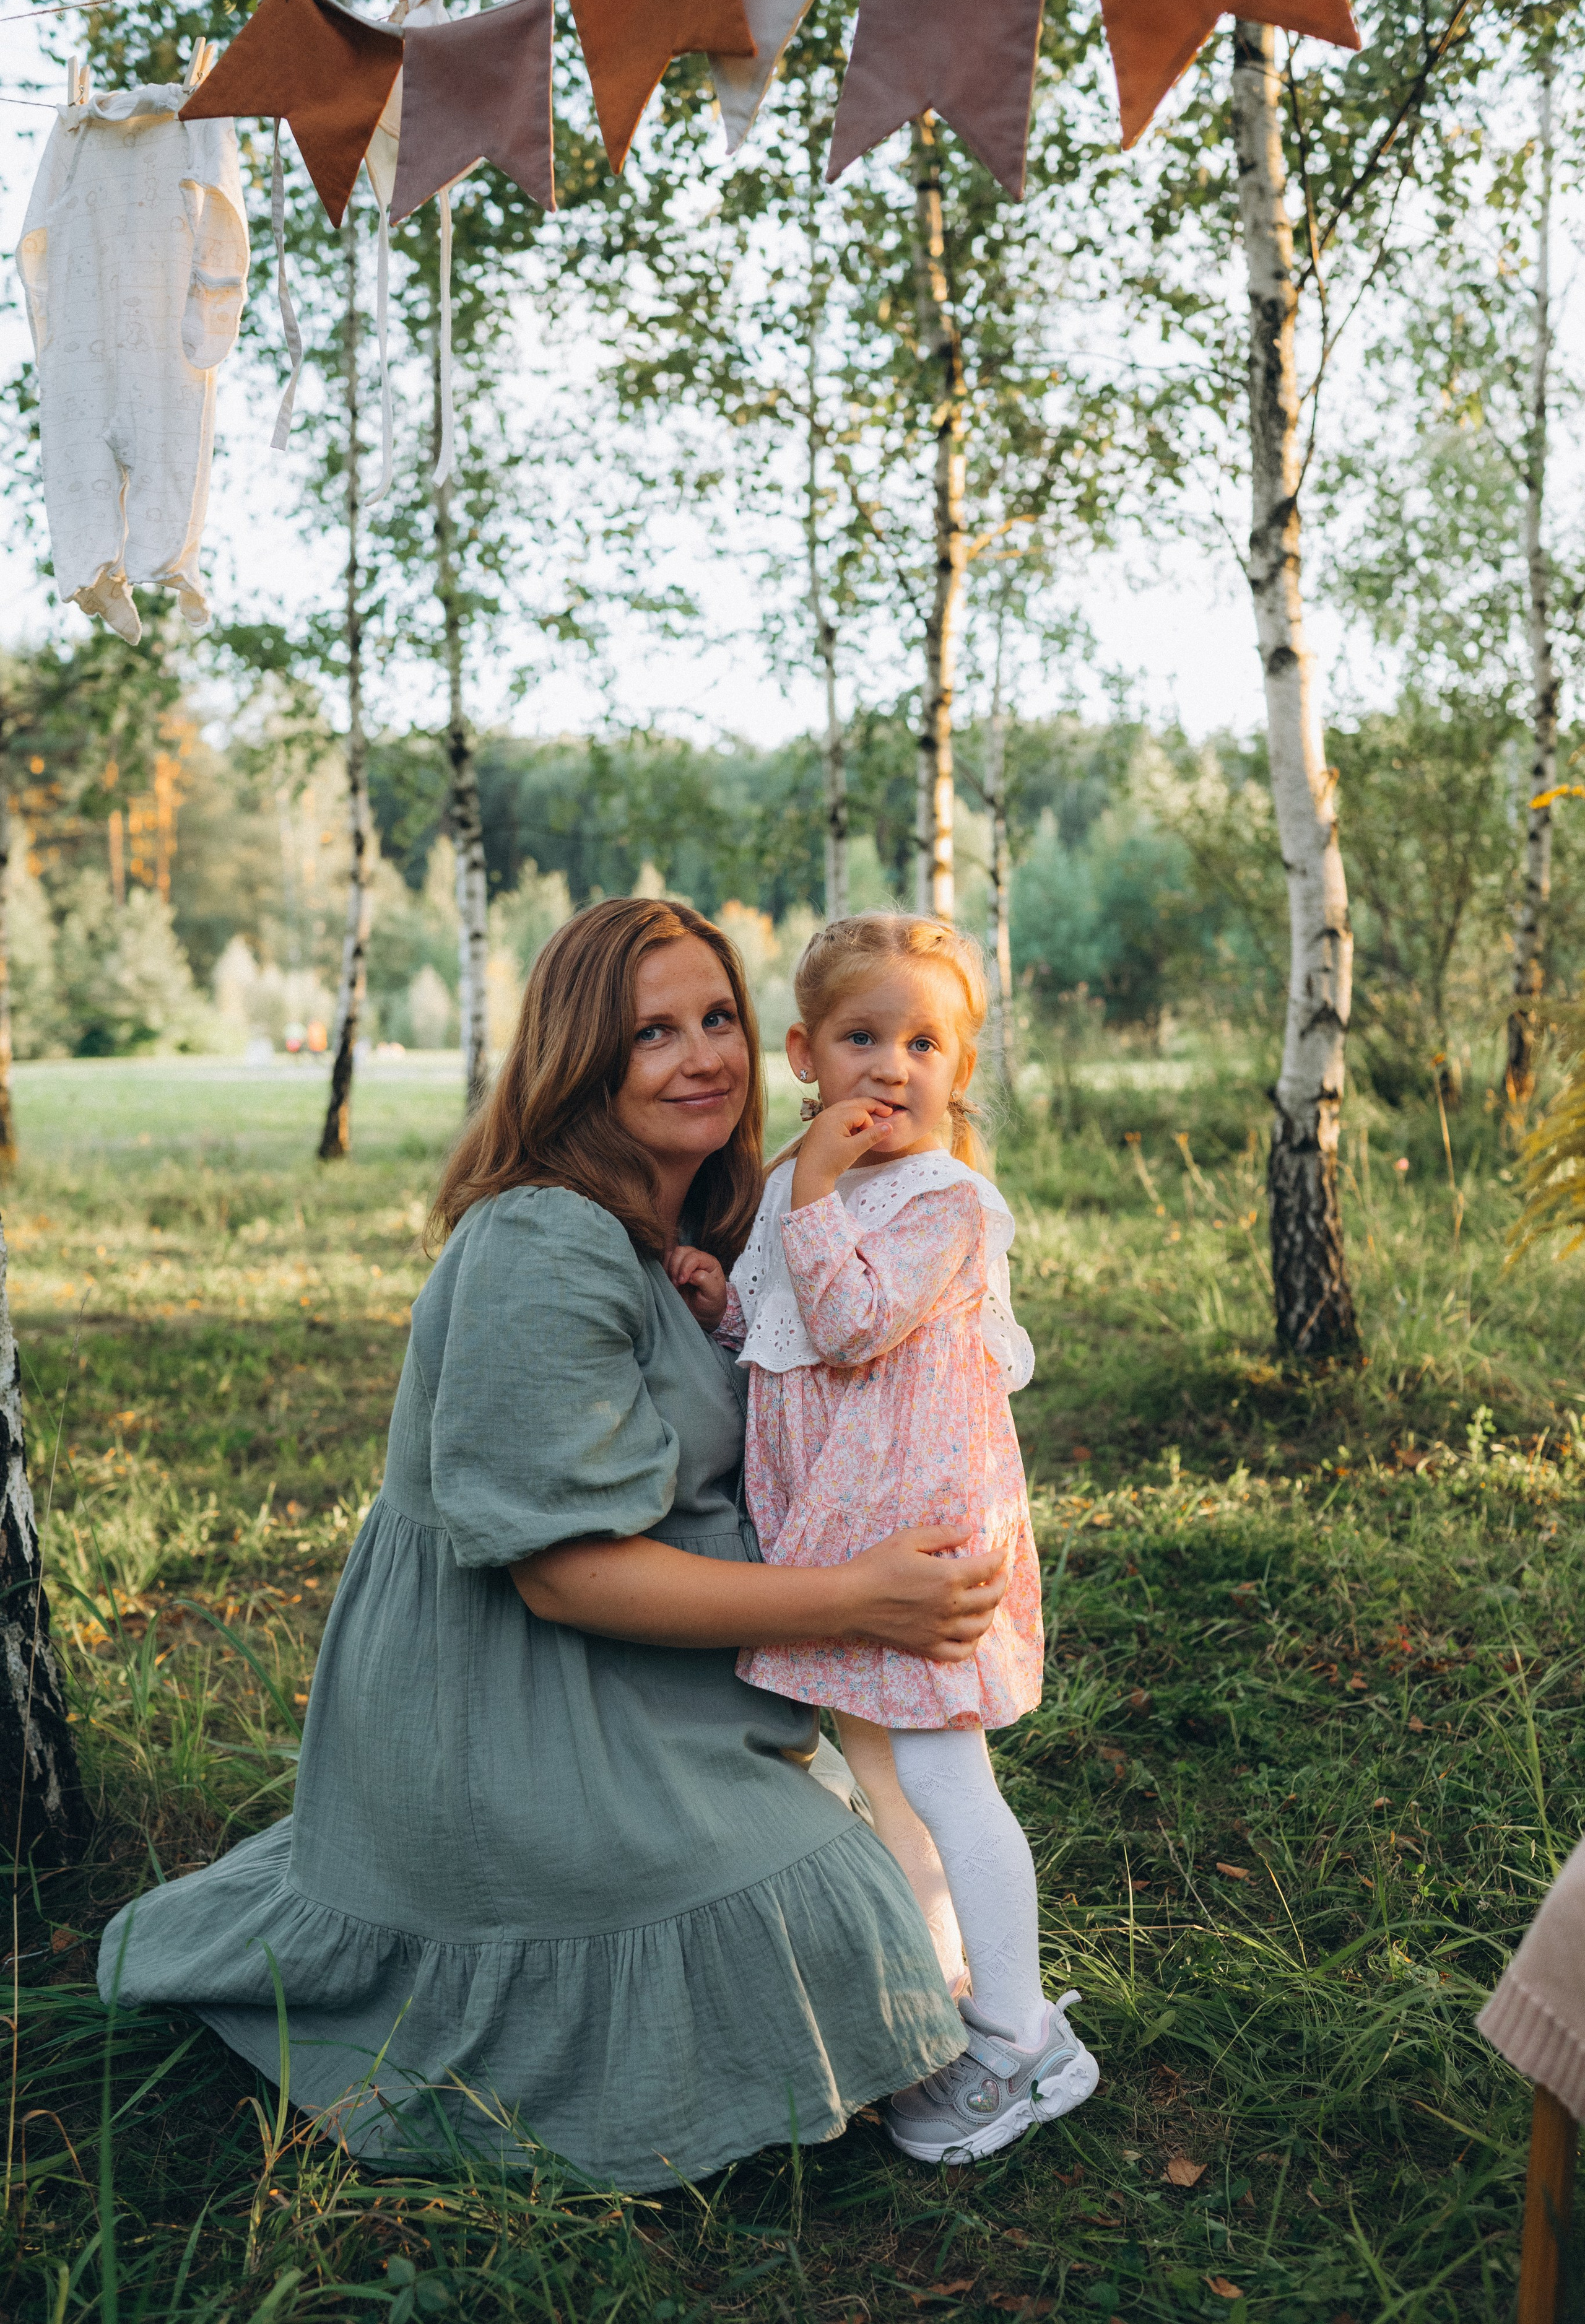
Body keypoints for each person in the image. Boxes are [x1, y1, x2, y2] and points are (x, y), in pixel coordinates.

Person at [97, 898, 1011, 2192]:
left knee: (876, 1911)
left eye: (715, 1021)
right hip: (504, 1701)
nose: (699, 1056)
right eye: (650, 1032)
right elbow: (565, 1574)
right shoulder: (544, 1236)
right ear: (580, 1054)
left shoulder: (696, 1222)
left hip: (641, 1682)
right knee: (831, 1925)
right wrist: (857, 1598)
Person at [667, 912, 1098, 2164]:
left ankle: (1020, 2035)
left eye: (924, 1041)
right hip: (830, 1546)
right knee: (878, 1777)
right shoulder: (810, 1192)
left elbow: (849, 1324)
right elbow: (775, 1343)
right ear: (803, 1051)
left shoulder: (946, 1200)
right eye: (861, 1037)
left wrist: (799, 1189)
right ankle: (939, 2004)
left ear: (959, 1068)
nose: (890, 1067)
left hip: (914, 1553)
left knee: (947, 1776)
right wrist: (716, 1297)